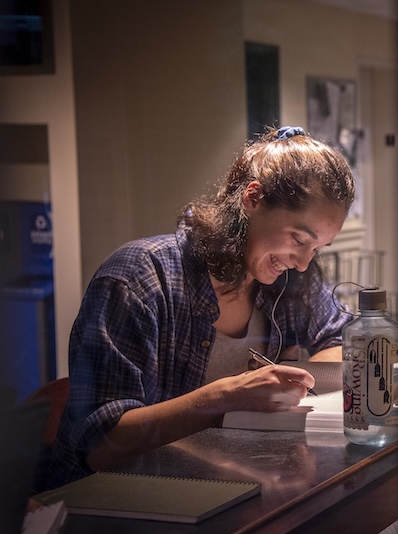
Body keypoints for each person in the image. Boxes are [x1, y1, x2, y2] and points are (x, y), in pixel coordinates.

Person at [45, 126, 356, 489]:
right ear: (252, 199)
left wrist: (293, 376)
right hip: (116, 502)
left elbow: (344, 338)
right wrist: (225, 397)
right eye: (298, 239)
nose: (303, 262)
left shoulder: (286, 282)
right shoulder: (138, 279)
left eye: (317, 248)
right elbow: (99, 447)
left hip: (216, 487)